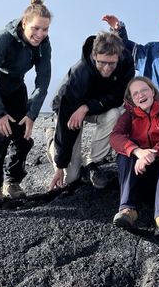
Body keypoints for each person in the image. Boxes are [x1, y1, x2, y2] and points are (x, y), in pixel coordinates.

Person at [0, 0, 52, 203]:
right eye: (36, 28)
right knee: (0, 135)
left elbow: (43, 80)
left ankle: (13, 181)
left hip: (15, 86)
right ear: (24, 23)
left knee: (23, 136)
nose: (40, 34)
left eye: (45, 30)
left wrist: (31, 114)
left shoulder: (44, 44)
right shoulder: (3, 38)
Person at [47, 30, 134, 191]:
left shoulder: (126, 63)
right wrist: (60, 164)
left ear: (119, 57)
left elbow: (118, 96)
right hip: (69, 108)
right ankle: (51, 142)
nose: (107, 68)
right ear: (94, 56)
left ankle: (91, 162)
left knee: (116, 113)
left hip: (93, 106)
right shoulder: (80, 73)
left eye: (112, 63)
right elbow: (65, 127)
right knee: (70, 178)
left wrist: (87, 107)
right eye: (102, 62)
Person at [110, 76, 159, 237]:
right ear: (131, 99)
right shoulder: (128, 116)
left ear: (152, 91)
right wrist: (138, 151)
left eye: (144, 90)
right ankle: (128, 210)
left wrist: (154, 152)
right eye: (135, 93)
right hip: (138, 168)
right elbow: (115, 137)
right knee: (124, 155)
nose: (140, 95)